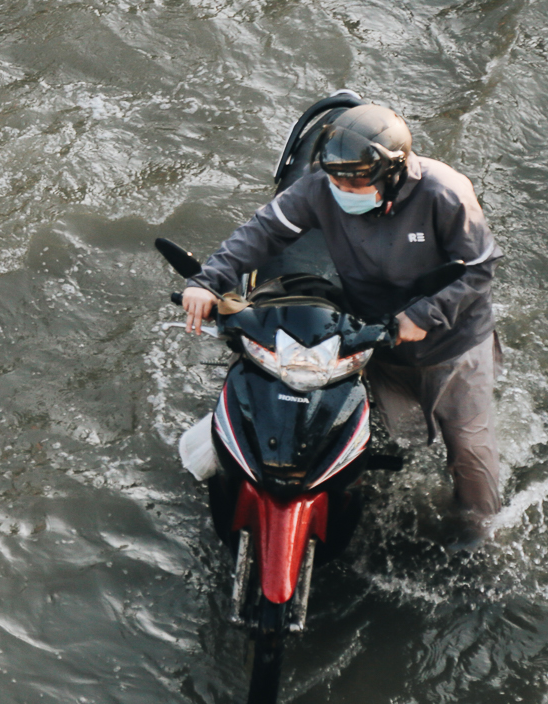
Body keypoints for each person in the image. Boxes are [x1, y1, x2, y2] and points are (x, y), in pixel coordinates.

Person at [180, 103, 503, 536]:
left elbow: (480, 268)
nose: (342, 188)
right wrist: (209, 280)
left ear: (392, 171)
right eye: (335, 179)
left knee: (468, 452)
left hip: (454, 345)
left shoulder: (445, 194)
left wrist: (426, 313)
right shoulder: (322, 190)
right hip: (377, 339)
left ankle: (480, 543)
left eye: (354, 180)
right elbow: (262, 231)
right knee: (400, 440)